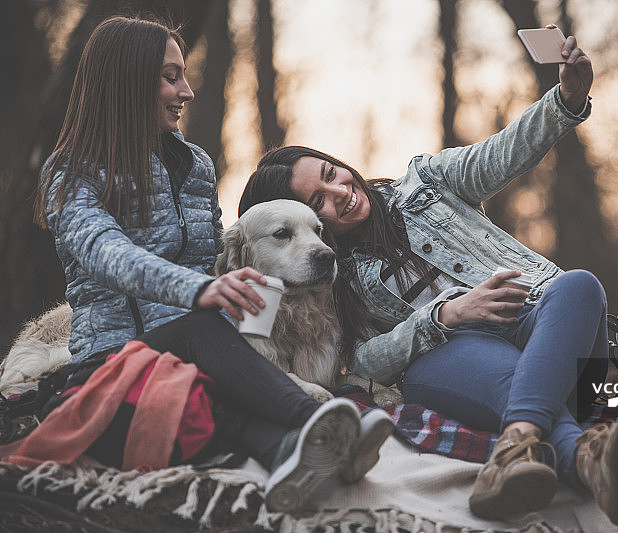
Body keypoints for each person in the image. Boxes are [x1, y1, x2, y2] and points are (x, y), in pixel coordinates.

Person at [237, 29, 618, 526]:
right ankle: (582, 460)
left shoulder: (427, 181)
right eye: (318, 203)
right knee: (432, 370)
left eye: (331, 174)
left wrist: (566, 98)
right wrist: (443, 316)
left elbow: (503, 152)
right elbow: (361, 361)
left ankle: (517, 446)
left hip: (543, 331)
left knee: (580, 285)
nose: (340, 193)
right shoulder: (335, 280)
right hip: (463, 359)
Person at [32, 16, 390, 513]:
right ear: (128, 79)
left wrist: (253, 301)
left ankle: (299, 454)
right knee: (202, 326)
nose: (188, 90)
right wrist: (200, 293)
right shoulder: (71, 172)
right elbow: (106, 254)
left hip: (192, 359)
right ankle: (312, 416)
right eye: (170, 76)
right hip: (116, 362)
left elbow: (217, 262)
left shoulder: (196, 165)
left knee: (227, 376)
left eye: (184, 74)